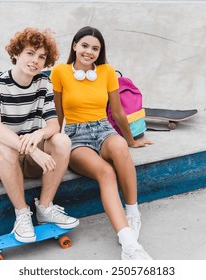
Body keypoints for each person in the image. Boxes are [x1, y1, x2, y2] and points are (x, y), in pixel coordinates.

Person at [50, 26, 154, 260]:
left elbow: (116, 112)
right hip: (76, 137)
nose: (89, 52)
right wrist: (54, 147)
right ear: (74, 45)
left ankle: (133, 212)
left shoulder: (106, 71)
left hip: (104, 129)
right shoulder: (60, 72)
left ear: (100, 52)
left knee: (119, 147)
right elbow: (57, 115)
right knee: (106, 172)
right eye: (85, 46)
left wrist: (131, 141)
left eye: (95, 48)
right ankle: (129, 244)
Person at [0, 27, 79, 243]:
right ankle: (22, 215)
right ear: (16, 53)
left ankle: (44, 207)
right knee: (6, 148)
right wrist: (34, 150)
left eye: (42, 56)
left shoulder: (43, 82)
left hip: (26, 154)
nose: (36, 60)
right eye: (30, 53)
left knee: (62, 140)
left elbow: (54, 124)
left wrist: (41, 132)